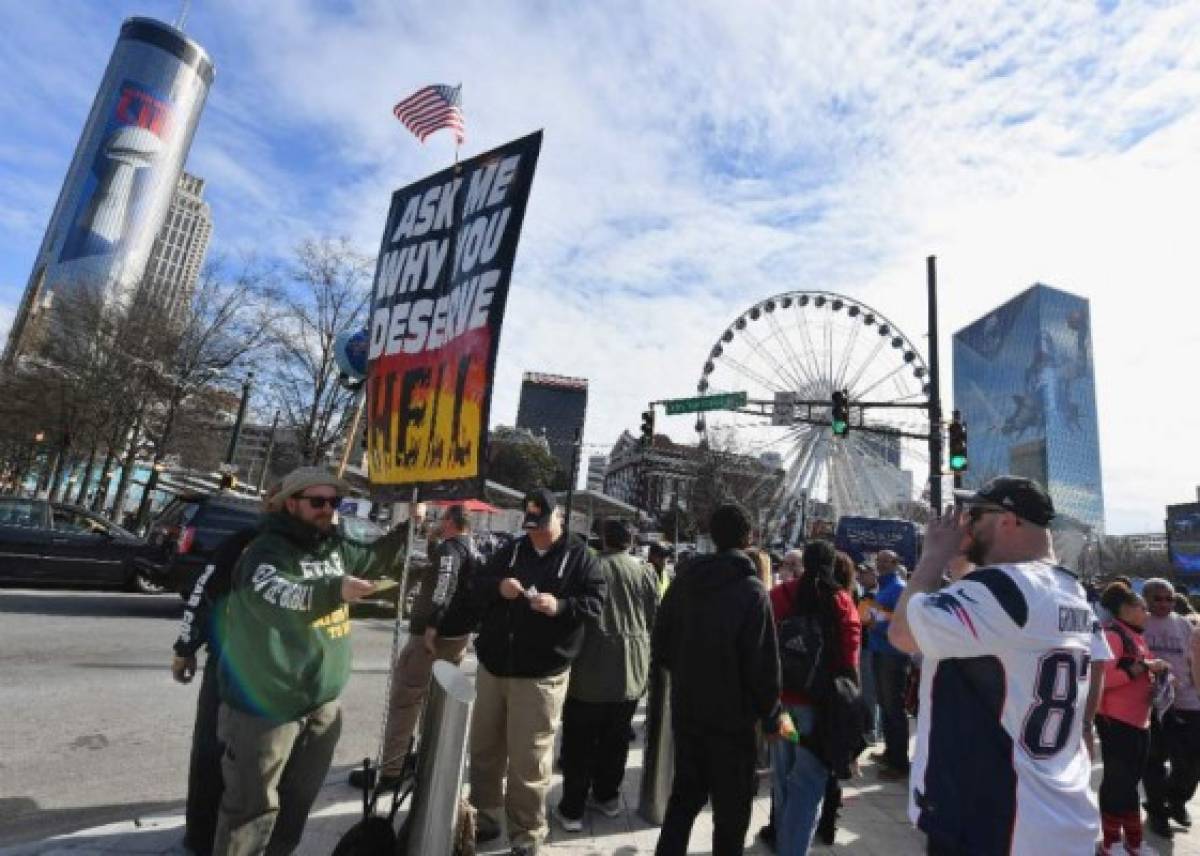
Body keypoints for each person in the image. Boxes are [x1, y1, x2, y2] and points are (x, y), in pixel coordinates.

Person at [889, 476, 1112, 855]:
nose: (966, 524)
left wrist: (931, 557)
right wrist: (963, 565)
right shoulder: (1072, 592)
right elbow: (1000, 639)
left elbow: (902, 634)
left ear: (1008, 521)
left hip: (996, 821)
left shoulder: (1000, 590)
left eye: (975, 514)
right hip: (1060, 813)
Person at [212, 467, 406, 855]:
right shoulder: (265, 549)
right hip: (266, 709)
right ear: (290, 503)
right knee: (250, 810)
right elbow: (275, 595)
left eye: (335, 503)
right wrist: (334, 589)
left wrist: (409, 527)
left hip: (321, 705)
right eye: (318, 502)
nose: (328, 511)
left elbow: (375, 558)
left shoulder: (333, 545)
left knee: (297, 804)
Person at [468, 488, 605, 856]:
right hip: (495, 667)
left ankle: (527, 834)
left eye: (542, 526)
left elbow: (595, 604)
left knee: (529, 760)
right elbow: (477, 585)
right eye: (530, 526)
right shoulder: (512, 549)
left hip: (541, 674)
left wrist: (560, 606)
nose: (536, 534)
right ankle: (484, 818)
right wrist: (499, 586)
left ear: (559, 517)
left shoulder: (581, 557)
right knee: (484, 750)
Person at [653, 502, 782, 856]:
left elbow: (660, 642)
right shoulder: (753, 591)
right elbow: (763, 667)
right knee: (731, 814)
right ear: (749, 537)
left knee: (683, 800)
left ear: (712, 535)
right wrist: (771, 715)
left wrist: (685, 674)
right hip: (734, 722)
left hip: (688, 711)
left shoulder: (684, 582)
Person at [171, 485, 280, 856]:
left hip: (278, 678)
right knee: (212, 752)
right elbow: (202, 594)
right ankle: (201, 837)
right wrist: (185, 648)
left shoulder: (310, 551)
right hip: (228, 666)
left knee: (257, 766)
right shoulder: (243, 542)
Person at [350, 503, 480, 791]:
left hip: (431, 639)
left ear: (450, 522)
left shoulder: (452, 549)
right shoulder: (472, 548)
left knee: (405, 700)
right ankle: (422, 758)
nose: (438, 522)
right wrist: (433, 539)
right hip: (457, 636)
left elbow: (445, 582)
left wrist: (433, 624)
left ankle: (391, 771)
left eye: (442, 518)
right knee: (434, 701)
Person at [555, 519, 658, 830]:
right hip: (631, 668)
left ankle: (572, 809)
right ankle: (607, 797)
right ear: (631, 540)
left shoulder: (589, 566)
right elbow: (653, 617)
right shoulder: (645, 571)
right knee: (616, 740)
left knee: (579, 741)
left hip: (590, 666)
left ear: (603, 539)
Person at [768, 541, 861, 854]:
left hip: (783, 707)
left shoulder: (780, 595)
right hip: (820, 710)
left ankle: (782, 839)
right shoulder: (842, 602)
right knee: (808, 784)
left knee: (782, 775)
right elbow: (850, 662)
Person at [1095, 584, 1167, 855]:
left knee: (1129, 784)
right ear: (1124, 609)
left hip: (1140, 721)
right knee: (1117, 784)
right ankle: (1110, 843)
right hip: (1117, 721)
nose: (1147, 612)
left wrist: (1159, 672)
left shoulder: (1135, 635)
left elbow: (1142, 666)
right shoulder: (1112, 635)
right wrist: (1144, 667)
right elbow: (1102, 680)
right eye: (1142, 607)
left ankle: (1133, 843)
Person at [1142, 577, 1200, 839]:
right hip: (1151, 706)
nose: (1165, 603)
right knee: (1154, 761)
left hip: (1186, 702)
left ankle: (1176, 799)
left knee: (1191, 763)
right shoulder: (1138, 623)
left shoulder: (1184, 624)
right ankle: (1157, 812)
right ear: (1145, 599)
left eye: (1170, 598)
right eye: (1158, 598)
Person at [867, 549, 911, 778]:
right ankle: (890, 752)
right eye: (879, 560)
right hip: (879, 651)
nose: (881, 564)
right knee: (885, 705)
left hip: (892, 656)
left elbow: (903, 623)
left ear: (895, 563)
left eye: (886, 561)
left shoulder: (900, 588)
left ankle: (899, 762)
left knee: (894, 708)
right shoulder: (883, 587)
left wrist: (879, 627)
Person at [855, 562, 883, 748]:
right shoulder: (866, 595)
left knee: (870, 691)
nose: (861, 577)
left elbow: (863, 621)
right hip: (868, 648)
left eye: (865, 573)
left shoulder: (873, 596)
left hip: (870, 649)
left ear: (874, 575)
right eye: (860, 573)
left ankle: (872, 730)